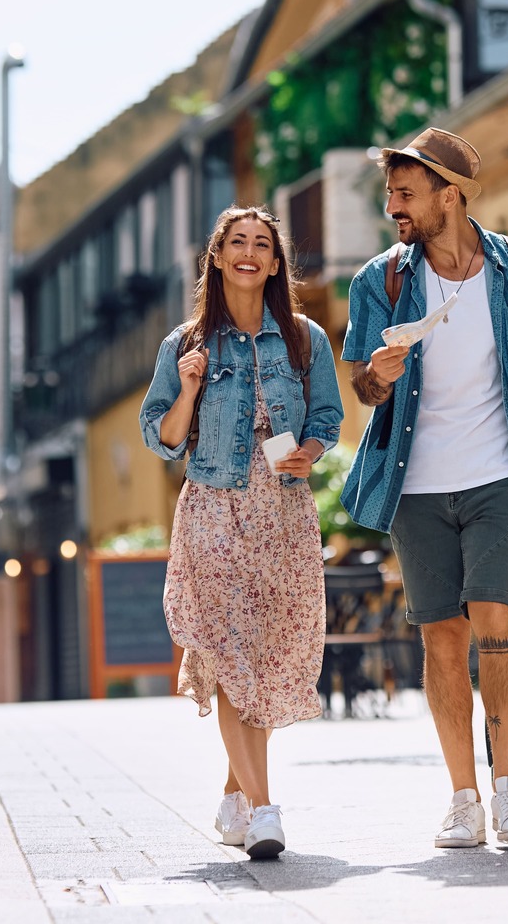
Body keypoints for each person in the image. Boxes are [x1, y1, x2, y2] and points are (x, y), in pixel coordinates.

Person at [341, 128, 508, 847]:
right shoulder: (378, 283)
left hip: (498, 476)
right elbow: (362, 386)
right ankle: (462, 799)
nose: (395, 207)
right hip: (415, 487)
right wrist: (377, 378)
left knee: (497, 626)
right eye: (391, 193)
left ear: (451, 195)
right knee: (442, 639)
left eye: (407, 193)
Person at [140, 205, 342, 860]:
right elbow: (163, 438)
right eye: (238, 243)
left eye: (263, 244)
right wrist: (190, 390)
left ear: (276, 263)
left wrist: (309, 450)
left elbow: (329, 419)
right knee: (230, 654)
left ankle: (234, 795)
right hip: (216, 509)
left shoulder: (304, 338)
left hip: (280, 514)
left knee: (263, 654)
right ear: (218, 258)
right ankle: (262, 809)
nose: (250, 253)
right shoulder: (186, 344)